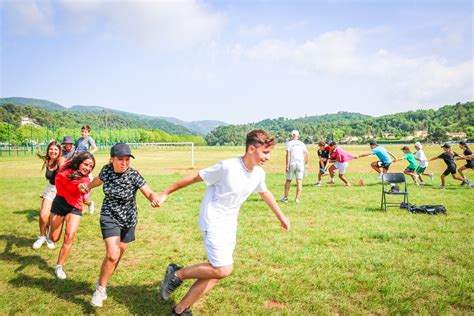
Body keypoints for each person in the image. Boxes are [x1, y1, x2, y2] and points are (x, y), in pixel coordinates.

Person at [156, 129, 290, 316]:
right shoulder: (227, 167)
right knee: (222, 268)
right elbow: (195, 177)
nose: (268, 158)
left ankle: (180, 311)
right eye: (265, 152)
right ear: (251, 149)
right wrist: (166, 192)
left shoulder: (259, 173)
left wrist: (281, 216)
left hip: (229, 224)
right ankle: (178, 274)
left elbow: (265, 192)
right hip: (212, 221)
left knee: (216, 272)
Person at [77, 143, 159, 308]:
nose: (124, 163)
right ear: (112, 159)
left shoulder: (134, 175)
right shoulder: (107, 171)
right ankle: (100, 289)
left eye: (127, 159)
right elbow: (97, 182)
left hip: (129, 220)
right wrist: (86, 186)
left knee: (117, 256)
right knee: (113, 255)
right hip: (109, 216)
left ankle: (102, 282)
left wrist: (153, 198)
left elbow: (148, 191)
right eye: (120, 159)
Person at [49, 152, 95, 279]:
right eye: (86, 164)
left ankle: (59, 266)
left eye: (91, 166)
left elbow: (81, 185)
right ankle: (50, 230)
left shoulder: (85, 178)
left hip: (75, 205)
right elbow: (59, 178)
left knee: (69, 236)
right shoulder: (66, 168)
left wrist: (81, 187)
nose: (88, 168)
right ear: (79, 162)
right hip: (60, 202)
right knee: (54, 238)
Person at [32, 140, 62, 250]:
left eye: (55, 149)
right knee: (43, 215)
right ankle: (42, 236)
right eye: (51, 149)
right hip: (50, 189)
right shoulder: (47, 160)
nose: (53, 151)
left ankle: (49, 237)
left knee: (53, 218)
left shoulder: (61, 161)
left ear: (59, 151)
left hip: (61, 191)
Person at [280, 130, 308, 203]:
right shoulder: (302, 143)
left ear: (292, 135)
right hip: (300, 164)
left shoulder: (289, 143)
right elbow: (306, 153)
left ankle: (285, 198)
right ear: (298, 136)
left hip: (292, 164)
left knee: (288, 180)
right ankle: (297, 199)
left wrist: (287, 166)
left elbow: (288, 155)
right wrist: (306, 163)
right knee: (299, 181)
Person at [74, 125, 97, 213]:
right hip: (78, 164)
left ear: (88, 132)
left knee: (84, 189)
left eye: (85, 132)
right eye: (82, 131)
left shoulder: (89, 139)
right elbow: (75, 150)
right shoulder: (79, 140)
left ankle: (90, 203)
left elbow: (95, 148)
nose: (83, 133)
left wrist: (87, 155)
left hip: (85, 164)